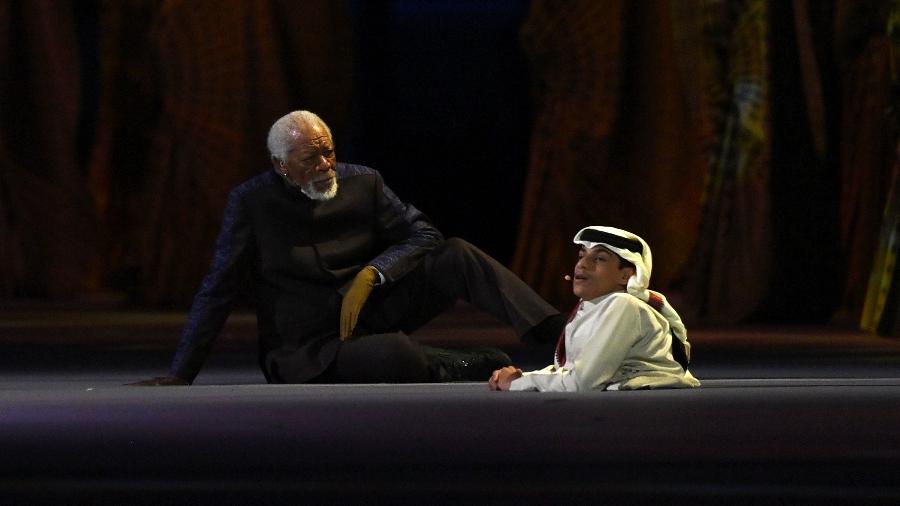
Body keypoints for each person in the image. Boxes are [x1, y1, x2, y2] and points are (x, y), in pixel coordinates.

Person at [133, 110, 563, 386]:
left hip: (371, 310)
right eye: (310, 160)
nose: (324, 167)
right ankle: (463, 363)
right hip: (309, 347)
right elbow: (219, 287)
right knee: (394, 357)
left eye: (328, 153)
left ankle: (563, 338)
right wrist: (180, 373)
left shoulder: (363, 181)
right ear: (281, 166)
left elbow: (424, 235)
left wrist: (373, 273)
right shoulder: (251, 202)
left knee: (457, 253)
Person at [488, 226, 700, 392]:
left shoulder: (625, 305)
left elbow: (582, 383)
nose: (582, 264)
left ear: (627, 275)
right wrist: (520, 377)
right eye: (582, 255)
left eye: (599, 258)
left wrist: (517, 384)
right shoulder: (592, 307)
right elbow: (571, 371)